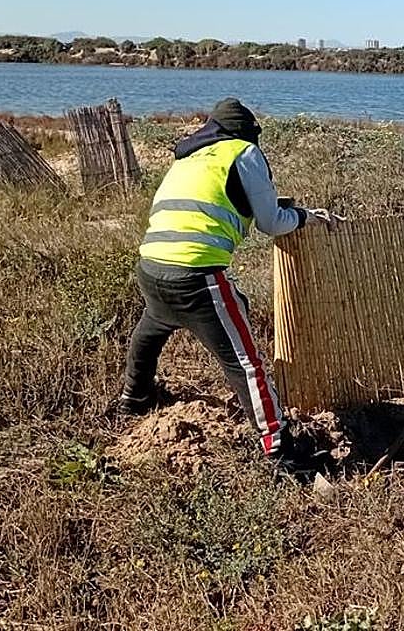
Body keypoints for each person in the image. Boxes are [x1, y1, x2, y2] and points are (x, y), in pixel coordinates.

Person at [119, 97, 330, 459]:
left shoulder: (188, 155)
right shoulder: (243, 153)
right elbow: (271, 223)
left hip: (151, 265)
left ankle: (134, 398)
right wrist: (304, 216)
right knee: (246, 362)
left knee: (150, 331)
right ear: (246, 133)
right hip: (196, 275)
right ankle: (278, 447)